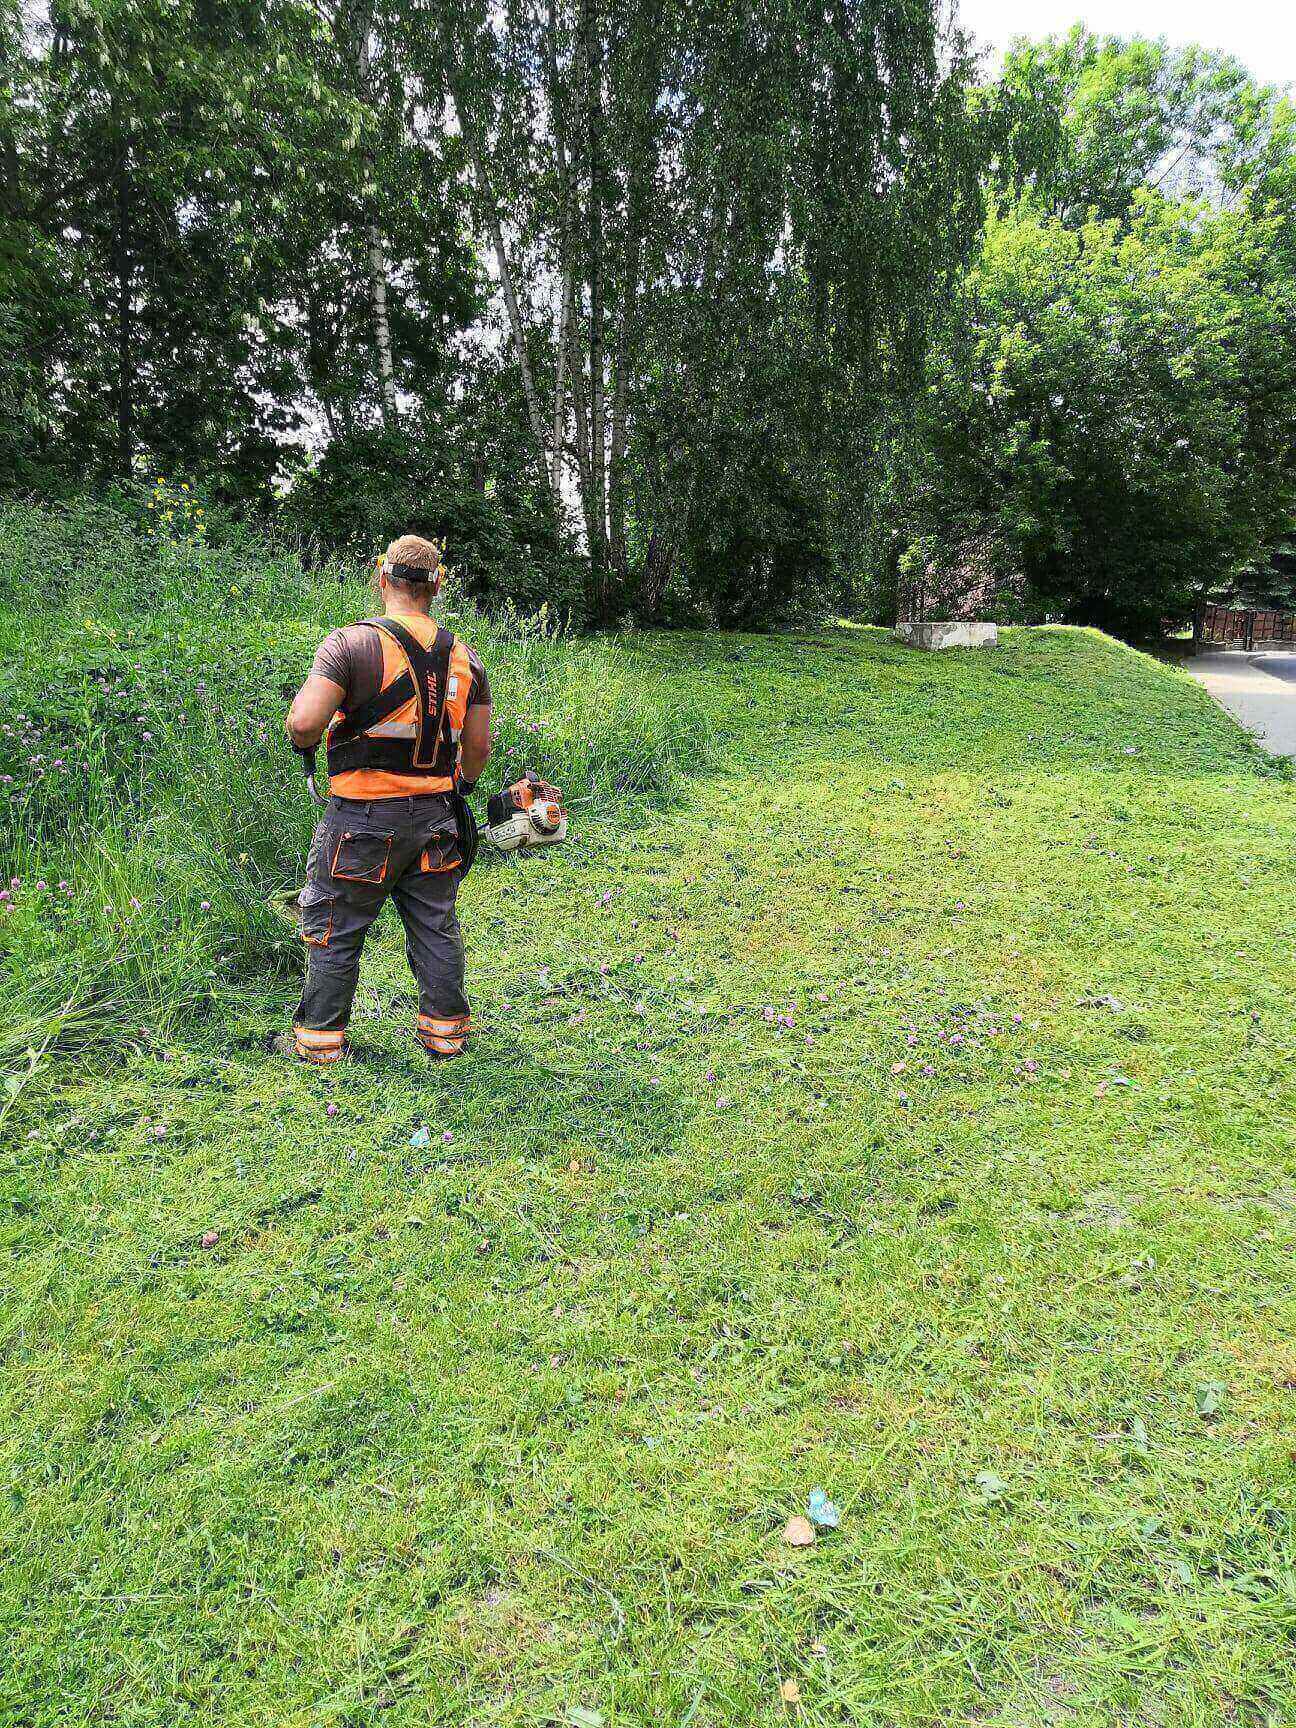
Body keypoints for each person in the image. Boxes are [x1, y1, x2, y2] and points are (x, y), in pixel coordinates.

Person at [279, 534, 492, 1064]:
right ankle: (446, 1037)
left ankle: (320, 1042)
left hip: (360, 820)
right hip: (437, 819)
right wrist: (458, 789)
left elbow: (304, 723)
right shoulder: (465, 659)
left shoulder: (350, 645)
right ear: (437, 586)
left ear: (382, 580)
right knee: (435, 926)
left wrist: (311, 739)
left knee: (336, 925)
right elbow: (478, 747)